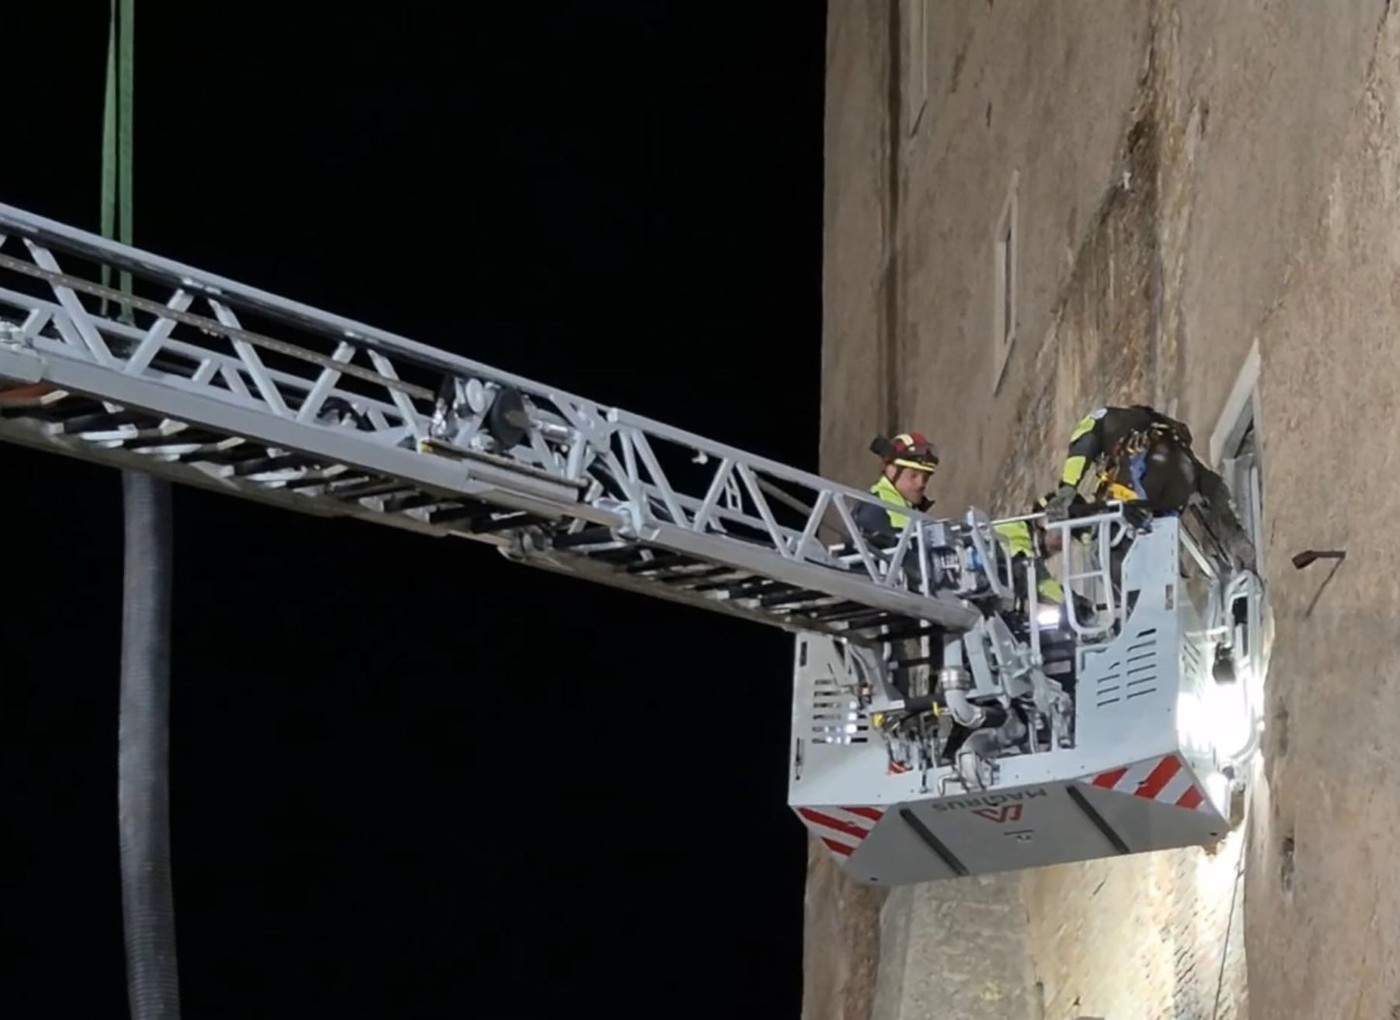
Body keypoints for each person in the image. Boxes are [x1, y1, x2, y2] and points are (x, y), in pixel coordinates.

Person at [1042, 404, 1256, 569]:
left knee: (1109, 546)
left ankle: (1144, 602)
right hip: (1183, 479)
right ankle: (1235, 545)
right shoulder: (1165, 431)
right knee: (1210, 494)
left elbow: (1085, 440)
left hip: (1143, 475)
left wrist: (1067, 488)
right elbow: (1213, 484)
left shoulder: (1108, 421)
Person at [852, 431, 939, 543]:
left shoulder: (902, 507)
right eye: (913, 475)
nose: (921, 484)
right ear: (892, 471)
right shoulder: (875, 509)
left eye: (926, 478)